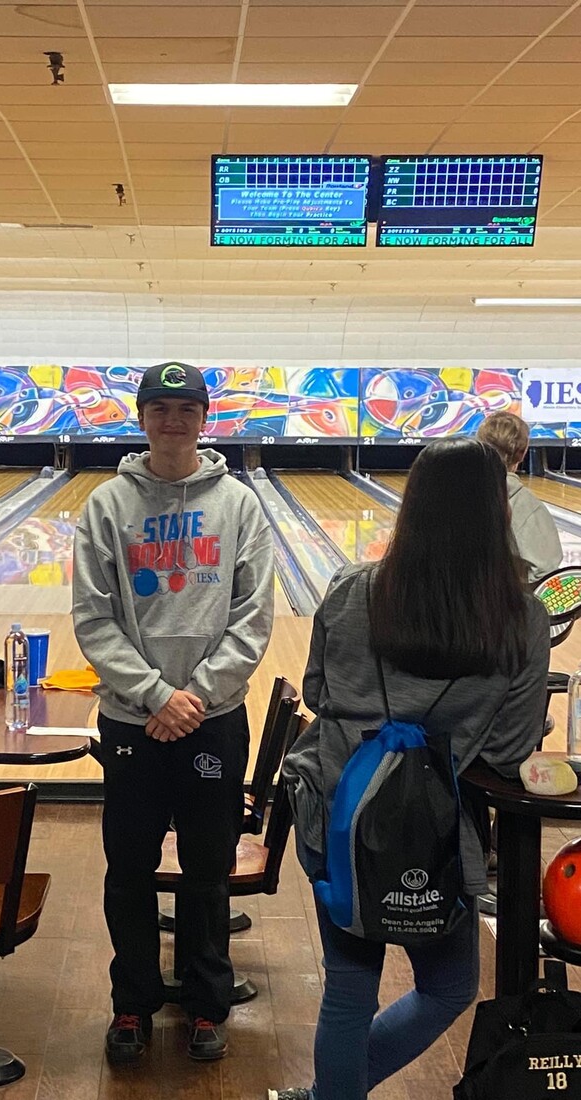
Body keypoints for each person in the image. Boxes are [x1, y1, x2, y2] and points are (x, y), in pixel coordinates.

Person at [271, 438, 550, 1100]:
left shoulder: (348, 591)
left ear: (410, 505)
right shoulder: (522, 620)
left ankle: (330, 1095)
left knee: (348, 986)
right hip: (432, 830)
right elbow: (508, 754)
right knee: (448, 986)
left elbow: (316, 693)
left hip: (337, 812)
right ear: (495, 513)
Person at [72, 362, 274, 1064]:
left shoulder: (239, 505)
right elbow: (92, 619)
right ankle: (131, 1003)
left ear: (203, 418)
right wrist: (159, 696)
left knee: (206, 870)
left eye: (185, 408)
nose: (172, 421)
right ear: (141, 417)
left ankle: (203, 1004)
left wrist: (197, 695)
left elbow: (253, 617)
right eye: (159, 408)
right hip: (132, 721)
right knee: (126, 868)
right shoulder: (106, 504)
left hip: (213, 717)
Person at [477, 410, 562, 583]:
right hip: (504, 607)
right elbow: (547, 572)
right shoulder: (528, 507)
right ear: (522, 453)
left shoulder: (448, 494)